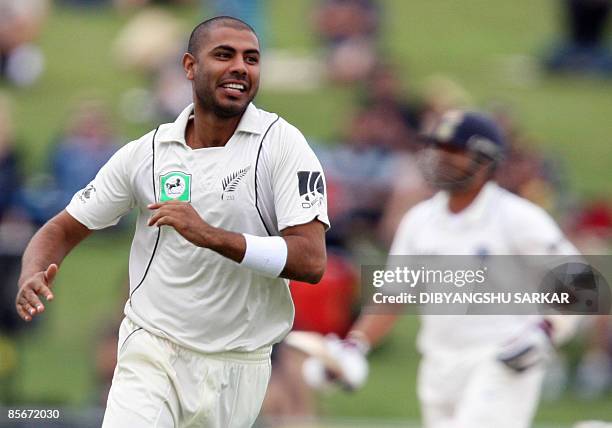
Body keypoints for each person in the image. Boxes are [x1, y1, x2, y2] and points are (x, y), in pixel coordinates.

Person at [15, 16, 329, 428]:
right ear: (189, 67)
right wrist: (31, 272)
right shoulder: (147, 153)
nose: (240, 67)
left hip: (239, 365)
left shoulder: (282, 145)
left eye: (251, 58)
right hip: (153, 349)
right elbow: (62, 228)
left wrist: (210, 236)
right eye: (224, 55)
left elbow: (310, 260)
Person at [308, 110, 583, 428]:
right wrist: (354, 345)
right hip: (438, 365)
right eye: (438, 148)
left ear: (485, 160)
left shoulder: (517, 217)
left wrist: (546, 331)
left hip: (501, 360)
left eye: (454, 151)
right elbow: (393, 295)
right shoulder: (420, 220)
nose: (441, 158)